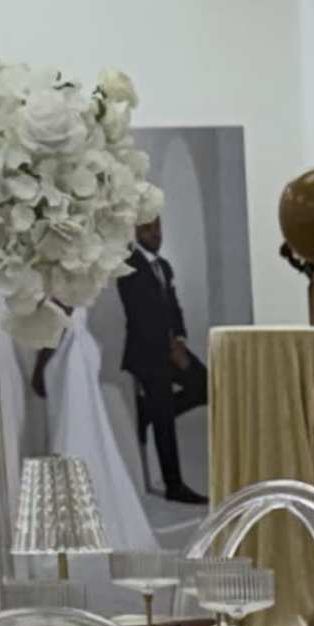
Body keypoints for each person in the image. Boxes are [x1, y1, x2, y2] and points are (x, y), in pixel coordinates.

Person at [113, 204, 204, 505]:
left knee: (204, 385)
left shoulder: (163, 266)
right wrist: (169, 351)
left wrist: (179, 340)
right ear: (136, 232)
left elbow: (173, 309)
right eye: (149, 229)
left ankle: (147, 414)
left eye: (158, 228)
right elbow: (142, 315)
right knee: (165, 418)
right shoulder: (129, 265)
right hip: (146, 353)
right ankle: (174, 485)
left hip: (168, 346)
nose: (156, 234)